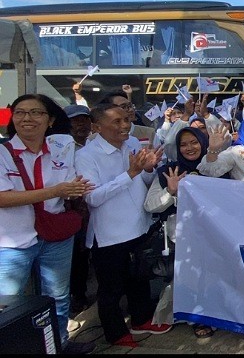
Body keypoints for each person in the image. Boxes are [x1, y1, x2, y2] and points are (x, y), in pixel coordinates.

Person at [0, 94, 96, 354]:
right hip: (12, 242)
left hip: (55, 235)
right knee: (7, 303)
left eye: (36, 113)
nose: (27, 118)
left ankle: (59, 343)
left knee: (58, 296)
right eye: (20, 112)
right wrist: (55, 191)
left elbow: (66, 189)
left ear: (50, 120)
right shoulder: (2, 154)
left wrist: (74, 190)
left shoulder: (60, 152)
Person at [75, 103, 170, 348]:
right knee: (111, 289)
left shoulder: (133, 145)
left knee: (139, 278)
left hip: (138, 226)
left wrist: (148, 169)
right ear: (96, 127)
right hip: (108, 234)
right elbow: (92, 198)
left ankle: (141, 319)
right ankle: (116, 334)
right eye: (116, 121)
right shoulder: (86, 155)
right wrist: (130, 173)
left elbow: (144, 180)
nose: (125, 125)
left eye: (126, 120)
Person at [143, 126, 218, 338]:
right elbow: (150, 206)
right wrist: (171, 191)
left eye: (194, 142)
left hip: (213, 235)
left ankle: (209, 314)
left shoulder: (217, 167)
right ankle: (195, 318)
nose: (189, 148)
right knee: (189, 279)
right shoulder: (169, 171)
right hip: (181, 237)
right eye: (183, 144)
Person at [63, 104, 93, 315]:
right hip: (70, 208)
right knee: (75, 254)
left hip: (92, 206)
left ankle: (80, 294)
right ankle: (75, 296)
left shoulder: (93, 144)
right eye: (75, 120)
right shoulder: (61, 147)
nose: (81, 124)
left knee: (87, 253)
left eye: (84, 119)